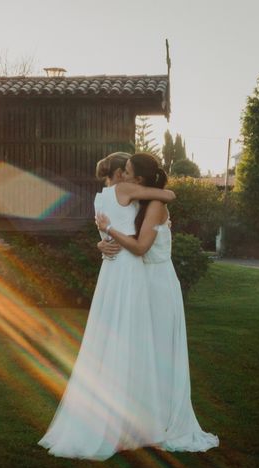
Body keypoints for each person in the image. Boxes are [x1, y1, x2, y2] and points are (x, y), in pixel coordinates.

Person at [38, 152, 176, 460]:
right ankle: (133, 421)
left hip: (110, 272)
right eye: (125, 169)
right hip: (130, 273)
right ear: (119, 173)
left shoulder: (99, 199)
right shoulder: (126, 191)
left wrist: (103, 242)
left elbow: (109, 231)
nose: (128, 175)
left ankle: (110, 415)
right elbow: (166, 194)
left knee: (107, 341)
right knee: (133, 344)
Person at [95, 152, 219, 452]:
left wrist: (109, 231)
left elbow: (139, 247)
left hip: (158, 284)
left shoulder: (155, 205)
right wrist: (102, 243)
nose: (122, 175)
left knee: (161, 351)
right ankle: (136, 419)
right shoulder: (138, 202)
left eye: (126, 170)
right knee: (141, 353)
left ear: (138, 179)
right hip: (140, 283)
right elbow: (127, 235)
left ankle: (162, 420)